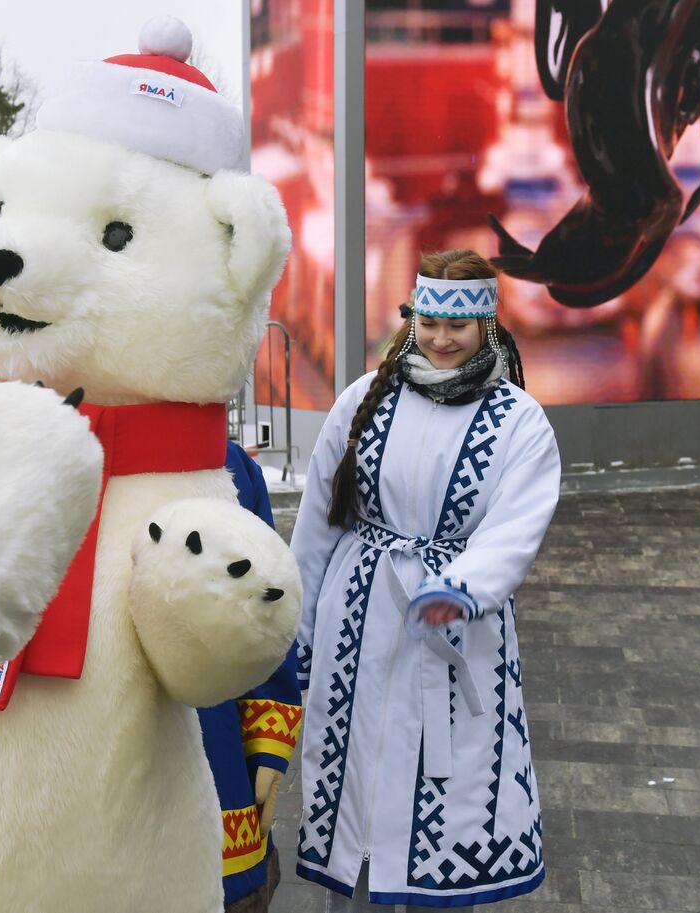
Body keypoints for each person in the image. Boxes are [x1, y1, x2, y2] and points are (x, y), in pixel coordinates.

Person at [289, 249, 559, 910]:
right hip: (358, 618)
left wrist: (461, 586)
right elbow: (321, 519)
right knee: (353, 778)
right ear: (412, 317)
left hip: (452, 630)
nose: (441, 338)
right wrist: (294, 627)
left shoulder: (519, 420)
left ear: (486, 325)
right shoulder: (364, 399)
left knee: (442, 788)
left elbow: (515, 525)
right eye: (429, 321)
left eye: (457, 326)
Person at [201, 441, 304, 912]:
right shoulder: (52, 451)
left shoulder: (223, 462)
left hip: (208, 740)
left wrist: (268, 743)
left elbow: (267, 611)